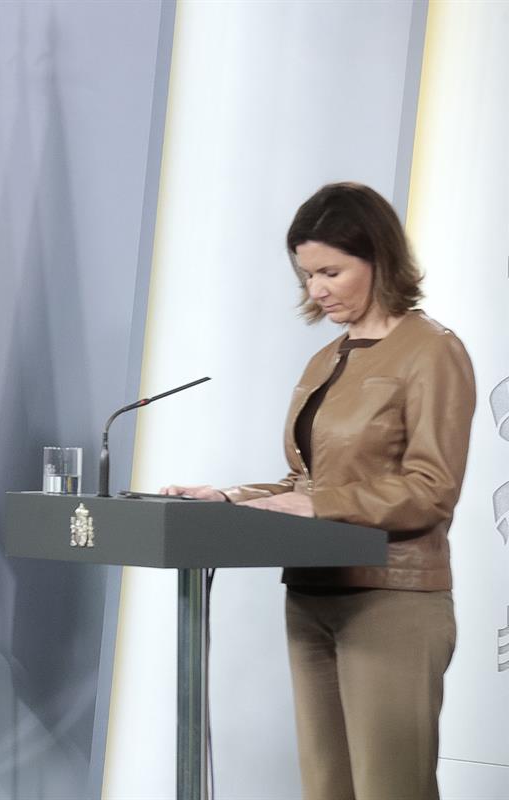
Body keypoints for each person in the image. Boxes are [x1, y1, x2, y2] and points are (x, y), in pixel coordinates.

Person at [162, 182, 475, 800]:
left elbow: (431, 488)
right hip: (311, 596)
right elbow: (307, 481)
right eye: (307, 275)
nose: (317, 289)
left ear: (378, 259)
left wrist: (318, 504)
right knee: (326, 788)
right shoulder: (327, 358)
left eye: (331, 271)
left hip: (392, 601)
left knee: (392, 789)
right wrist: (232, 499)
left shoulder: (431, 352)